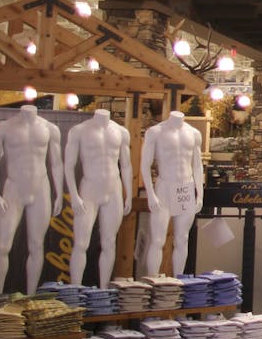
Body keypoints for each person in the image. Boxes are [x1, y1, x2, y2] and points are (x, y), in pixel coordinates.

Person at [0, 104, 64, 293]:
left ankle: (31, 296)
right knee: (2, 246)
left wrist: (59, 193)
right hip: (14, 188)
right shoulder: (3, 128)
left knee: (37, 245)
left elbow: (57, 164)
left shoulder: (50, 129)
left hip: (41, 189)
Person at [63, 109, 133, 287]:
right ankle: (76, 288)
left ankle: (103, 288)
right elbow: (68, 166)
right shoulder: (79, 131)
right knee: (81, 243)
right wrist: (74, 195)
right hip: (89, 189)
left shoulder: (121, 132)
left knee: (109, 242)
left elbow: (126, 165)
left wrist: (129, 194)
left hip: (114, 189)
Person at [139, 110, 205, 277]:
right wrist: (151, 193)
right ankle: (152, 279)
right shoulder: (155, 132)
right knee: (157, 240)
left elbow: (197, 165)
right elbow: (145, 165)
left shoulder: (193, 133)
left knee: (182, 239)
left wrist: (200, 193)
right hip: (165, 187)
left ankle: (178, 280)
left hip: (186, 187)